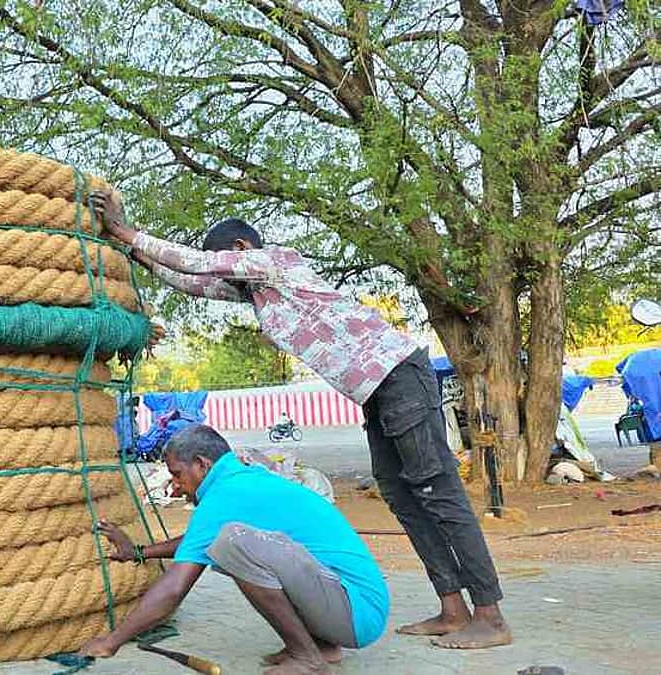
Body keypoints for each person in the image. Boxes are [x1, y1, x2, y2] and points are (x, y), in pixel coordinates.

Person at [91, 191, 511, 650]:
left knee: (437, 491)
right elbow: (191, 278)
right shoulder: (259, 292)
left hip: (398, 374)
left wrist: (128, 231)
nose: (218, 266)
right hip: (375, 391)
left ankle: (488, 615)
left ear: (241, 252)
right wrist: (128, 245)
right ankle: (453, 608)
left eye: (222, 259)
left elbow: (200, 264)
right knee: (402, 496)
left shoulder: (276, 262)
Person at [79, 425, 388, 674]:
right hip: (351, 608)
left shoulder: (224, 494)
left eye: (177, 474)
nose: (175, 486)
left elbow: (175, 588)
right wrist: (139, 552)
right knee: (228, 542)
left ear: (202, 464)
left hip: (356, 612)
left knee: (233, 543)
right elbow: (196, 541)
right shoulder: (239, 480)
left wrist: (112, 641)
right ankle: (322, 646)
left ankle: (307, 658)